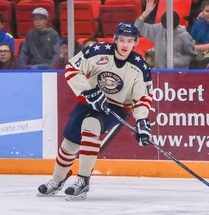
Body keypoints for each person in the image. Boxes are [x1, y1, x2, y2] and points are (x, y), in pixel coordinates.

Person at [37, 22, 153, 200]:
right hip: (89, 100)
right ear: (115, 39)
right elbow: (71, 68)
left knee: (90, 125)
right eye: (121, 40)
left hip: (117, 107)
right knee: (70, 143)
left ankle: (83, 180)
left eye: (129, 41)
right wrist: (89, 91)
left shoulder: (140, 67)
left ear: (136, 43)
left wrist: (142, 121)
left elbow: (142, 98)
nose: (124, 45)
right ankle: (58, 179)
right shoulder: (97, 52)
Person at [135, 0, 197, 69]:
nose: (169, 31)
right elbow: (138, 26)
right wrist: (146, 13)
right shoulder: (158, 29)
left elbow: (192, 55)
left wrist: (180, 61)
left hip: (179, 74)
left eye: (172, 29)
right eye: (166, 28)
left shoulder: (185, 36)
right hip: (161, 73)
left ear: (177, 25)